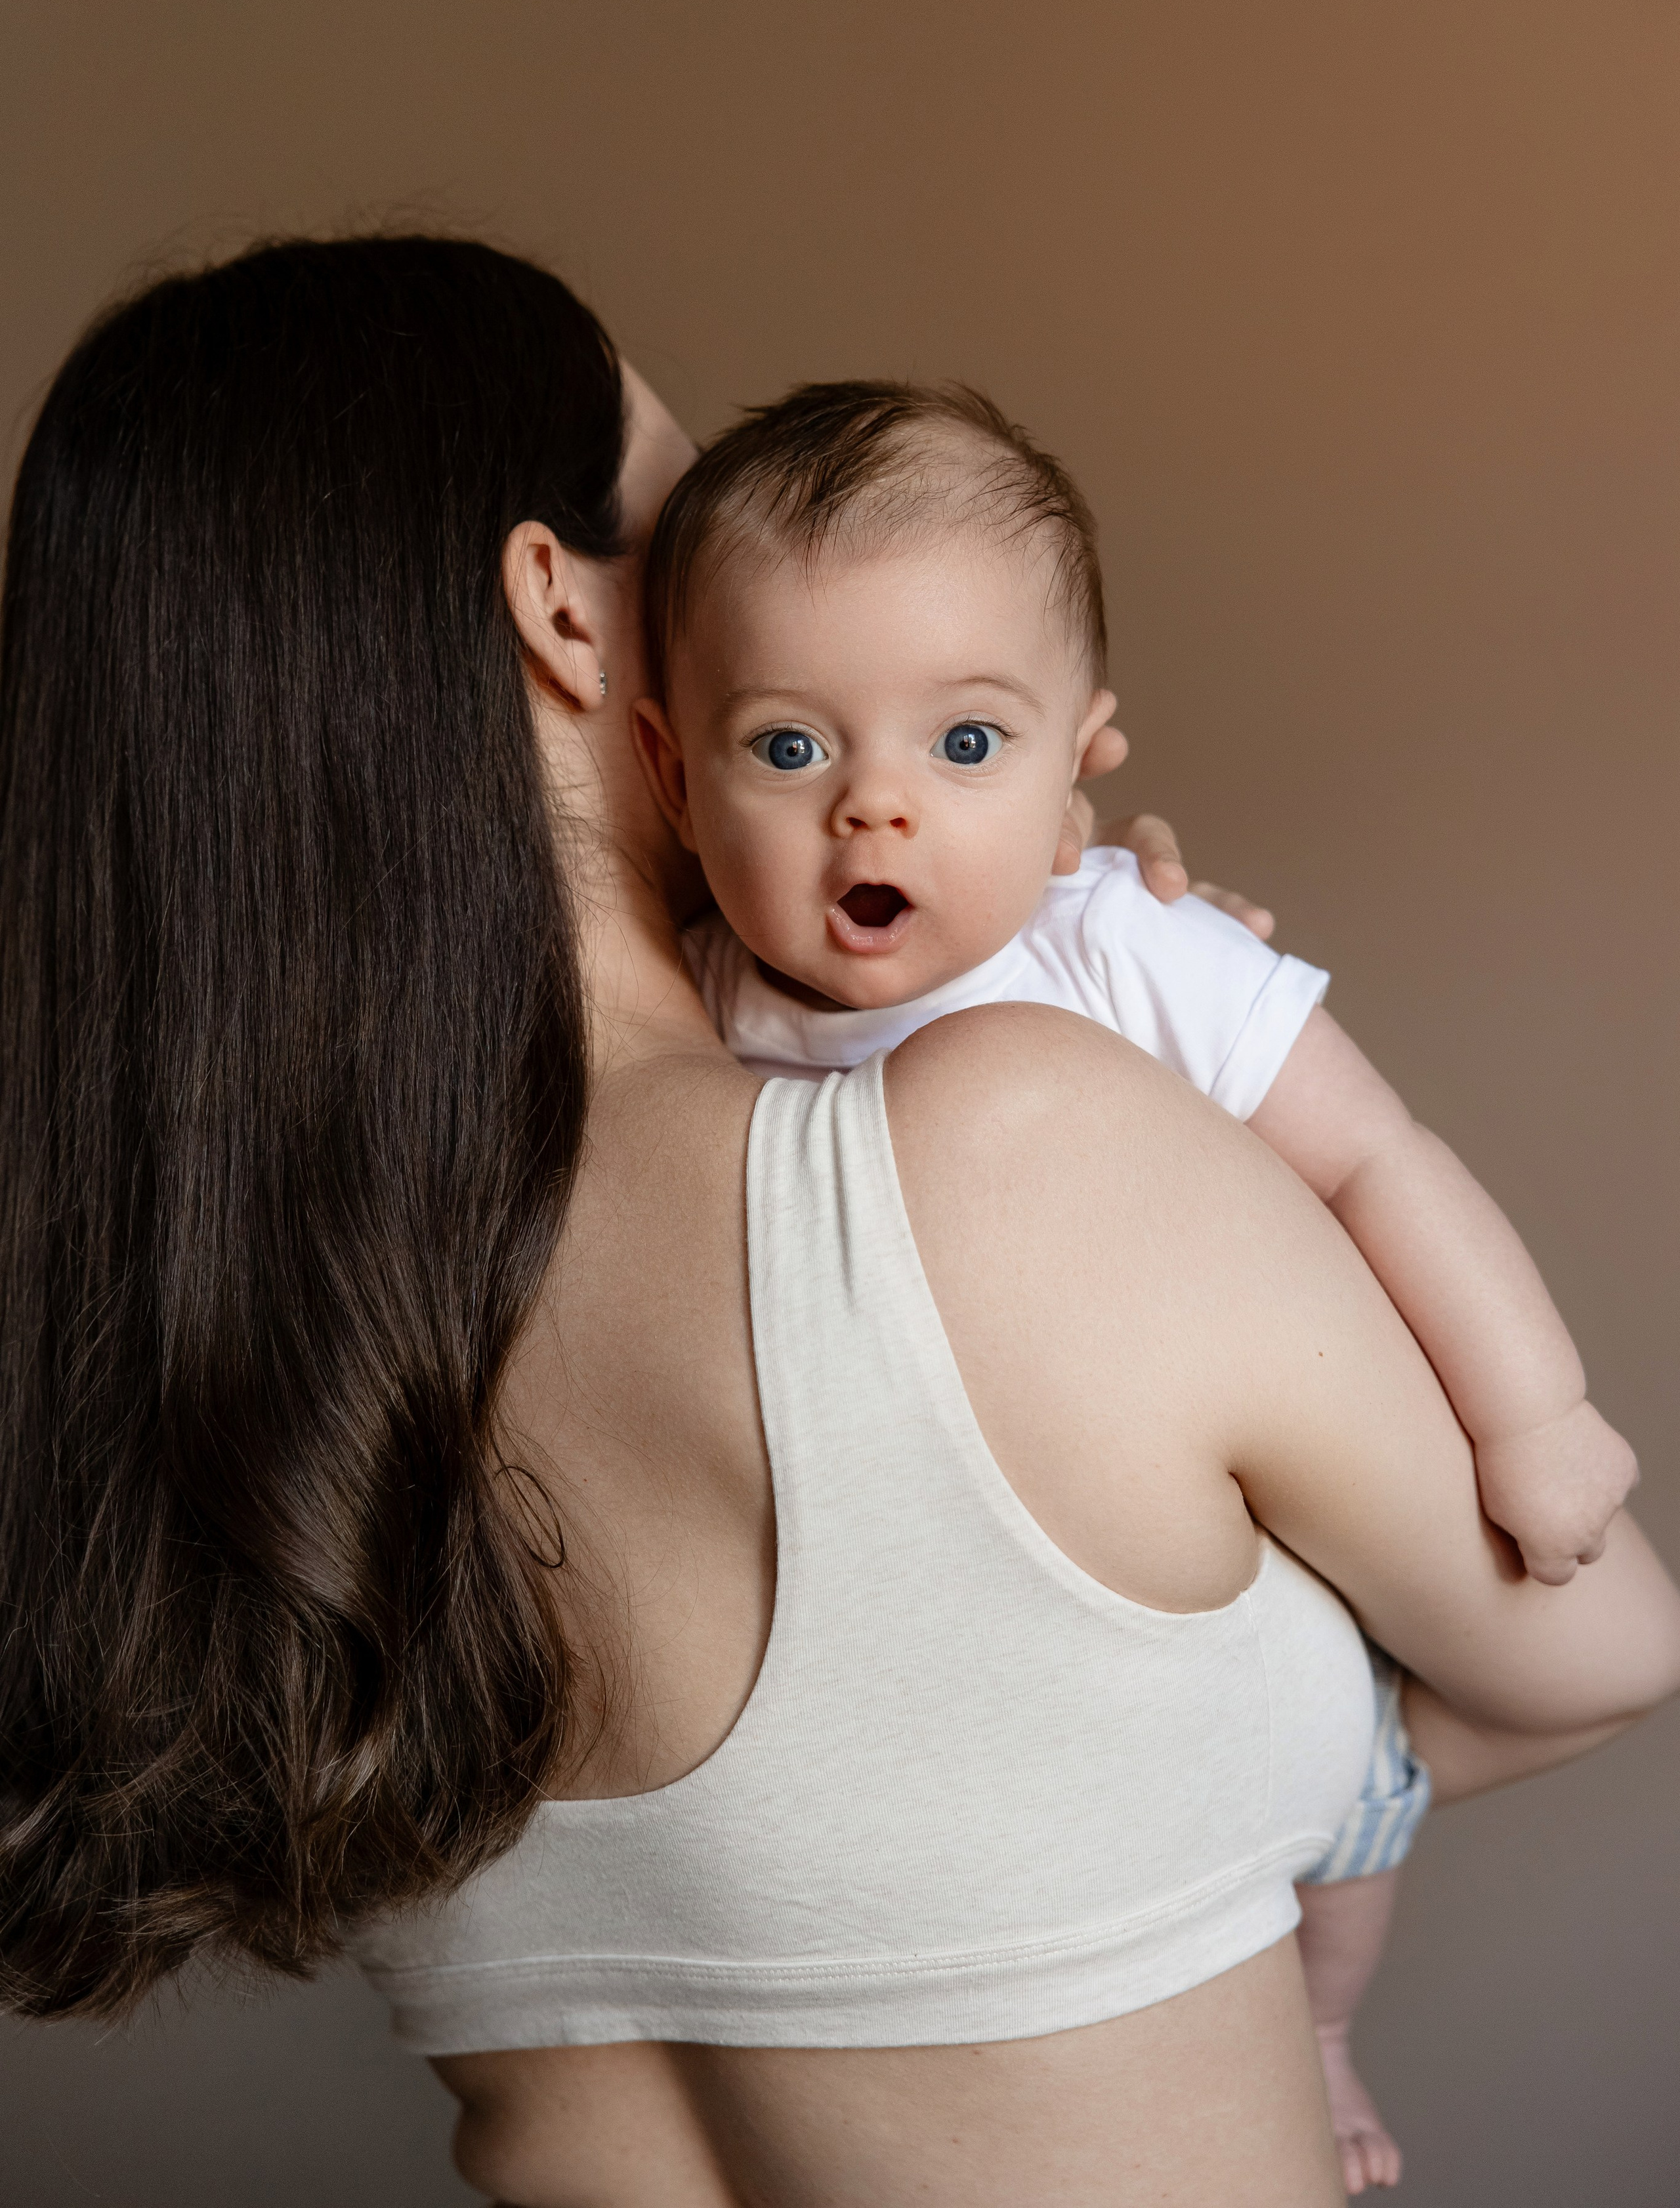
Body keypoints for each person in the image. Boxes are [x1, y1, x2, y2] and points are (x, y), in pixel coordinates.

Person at [1, 240, 1675, 2208]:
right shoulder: (1014, 1149)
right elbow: (1603, 1646)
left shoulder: (264, 1367)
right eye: (688, 500)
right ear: (561, 610)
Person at [629, 378, 1644, 2185]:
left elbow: (1379, 1161)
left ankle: (1324, 2040)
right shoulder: (701, 999)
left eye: (965, 747)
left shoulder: (1131, 948)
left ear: (1083, 763)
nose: (876, 811)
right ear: (671, 768)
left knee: (1338, 1885)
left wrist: (1533, 1408)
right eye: (789, 749)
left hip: (1262, 1516)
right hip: (999, 1590)